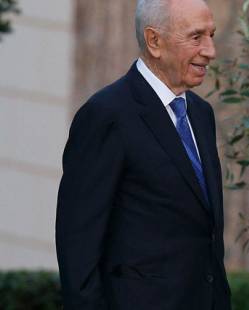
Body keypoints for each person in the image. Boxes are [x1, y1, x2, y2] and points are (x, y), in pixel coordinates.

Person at [55, 0, 230, 309]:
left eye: (211, 35)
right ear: (154, 41)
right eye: (196, 37)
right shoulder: (106, 115)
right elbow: (78, 249)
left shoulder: (201, 114)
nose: (210, 50)